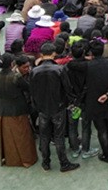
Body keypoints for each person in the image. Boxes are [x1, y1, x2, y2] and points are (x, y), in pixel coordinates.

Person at [31, 42, 79, 172]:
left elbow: (32, 91)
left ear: (41, 54)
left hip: (42, 108)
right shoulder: (60, 69)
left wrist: (36, 106)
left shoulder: (34, 71)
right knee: (59, 136)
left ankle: (46, 162)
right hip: (58, 107)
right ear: (54, 53)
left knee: (44, 136)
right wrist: (72, 102)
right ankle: (64, 163)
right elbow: (67, 89)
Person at [0, 52, 38, 168]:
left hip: (3, 109)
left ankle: (11, 159)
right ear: (12, 64)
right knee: (22, 136)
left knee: (8, 137)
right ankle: (26, 159)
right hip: (18, 110)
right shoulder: (15, 77)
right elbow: (28, 88)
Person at [84, 40, 108, 163]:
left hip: (95, 102)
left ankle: (107, 154)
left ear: (91, 53)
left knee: (101, 129)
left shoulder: (87, 67)